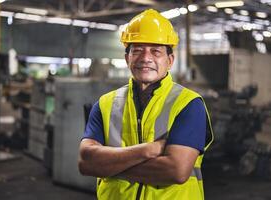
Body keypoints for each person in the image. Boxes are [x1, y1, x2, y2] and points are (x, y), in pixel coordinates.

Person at [78, 9, 214, 200]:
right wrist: (149, 150)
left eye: (156, 51)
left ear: (170, 60)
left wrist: (109, 166)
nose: (145, 58)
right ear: (127, 58)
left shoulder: (189, 104)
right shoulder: (105, 104)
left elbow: (176, 171)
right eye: (138, 50)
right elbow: (86, 163)